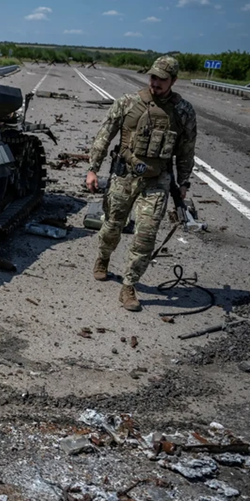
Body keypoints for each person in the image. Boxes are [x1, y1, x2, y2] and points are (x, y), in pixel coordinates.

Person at [85, 56, 197, 312]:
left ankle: (129, 285)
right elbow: (105, 134)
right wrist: (93, 169)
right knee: (113, 226)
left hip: (157, 180)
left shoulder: (183, 111)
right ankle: (103, 258)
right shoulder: (128, 102)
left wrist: (183, 182)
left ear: (174, 81)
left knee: (146, 236)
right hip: (124, 176)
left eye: (162, 79)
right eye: (153, 77)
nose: (155, 83)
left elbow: (187, 149)